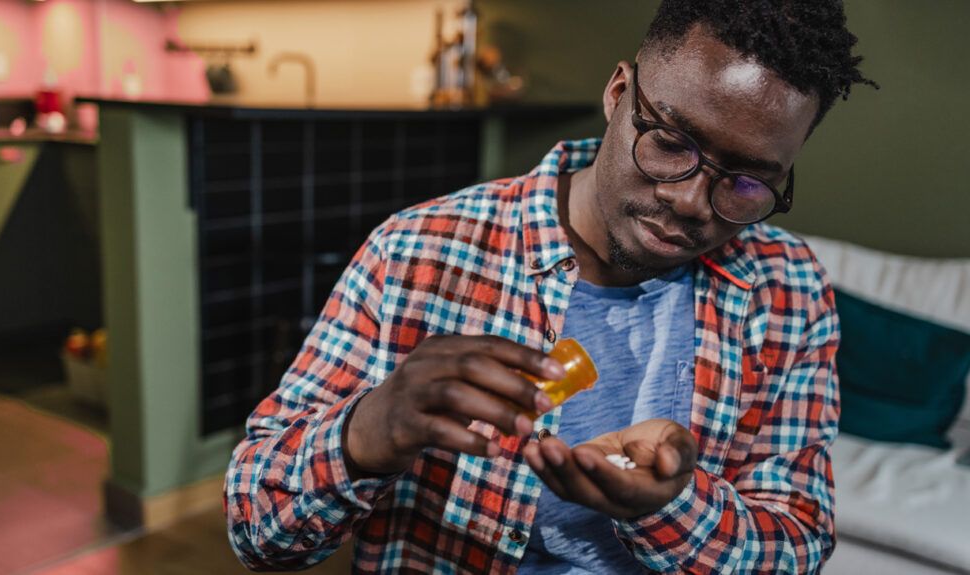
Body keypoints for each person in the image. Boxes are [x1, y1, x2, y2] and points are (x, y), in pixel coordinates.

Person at [225, 0, 876, 572]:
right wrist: (363, 435)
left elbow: (797, 542)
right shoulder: (419, 253)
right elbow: (257, 530)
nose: (689, 200)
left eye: (748, 182)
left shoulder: (789, 289)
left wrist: (673, 507)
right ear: (619, 93)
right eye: (673, 142)